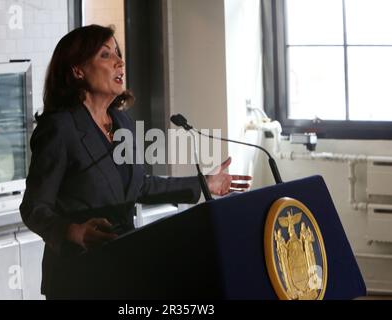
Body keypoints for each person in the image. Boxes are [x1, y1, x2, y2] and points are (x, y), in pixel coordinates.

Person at [19, 24, 251, 299]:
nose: (120, 62)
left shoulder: (122, 123)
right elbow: (34, 208)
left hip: (123, 266)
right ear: (78, 70)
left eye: (118, 53)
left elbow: (139, 186)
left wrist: (204, 184)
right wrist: (74, 232)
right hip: (77, 276)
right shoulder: (60, 129)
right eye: (106, 55)